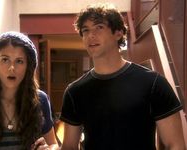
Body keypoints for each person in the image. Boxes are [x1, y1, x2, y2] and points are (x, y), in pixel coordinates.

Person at [60, 3, 186, 150]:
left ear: (118, 33)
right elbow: (69, 147)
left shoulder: (152, 83)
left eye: (99, 27)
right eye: (85, 30)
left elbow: (176, 145)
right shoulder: (75, 91)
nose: (91, 35)